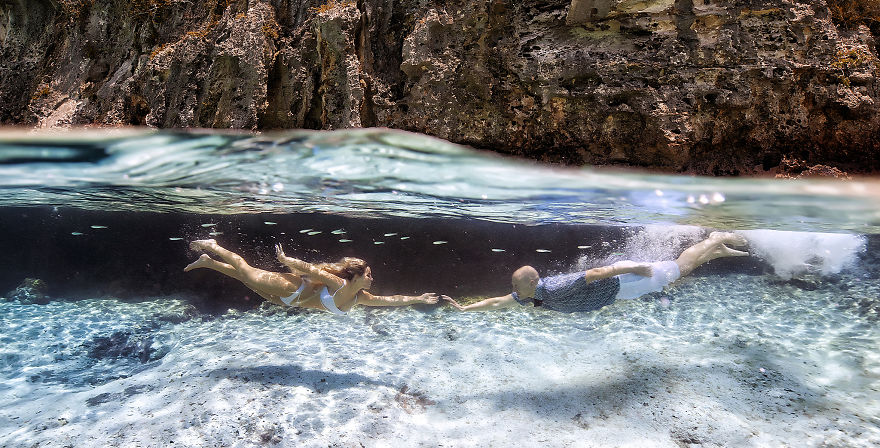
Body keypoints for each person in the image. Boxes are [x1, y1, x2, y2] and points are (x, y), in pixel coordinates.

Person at [441, 231, 750, 312]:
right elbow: (497, 302)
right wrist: (466, 308)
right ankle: (717, 251)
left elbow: (599, 271)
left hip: (625, 282)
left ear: (532, 282)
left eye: (515, 283)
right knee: (679, 273)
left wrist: (636, 266)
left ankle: (714, 239)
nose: (511, 287)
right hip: (620, 293)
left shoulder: (556, 287)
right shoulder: (527, 296)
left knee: (680, 268)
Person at [184, 239, 439, 314]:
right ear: (357, 275)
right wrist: (286, 261)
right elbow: (312, 270)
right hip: (290, 288)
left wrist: (418, 298)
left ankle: (208, 262)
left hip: (284, 301)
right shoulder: (340, 284)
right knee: (246, 271)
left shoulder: (359, 298)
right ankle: (213, 246)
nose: (372, 279)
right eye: (369, 274)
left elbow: (391, 300)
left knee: (245, 280)